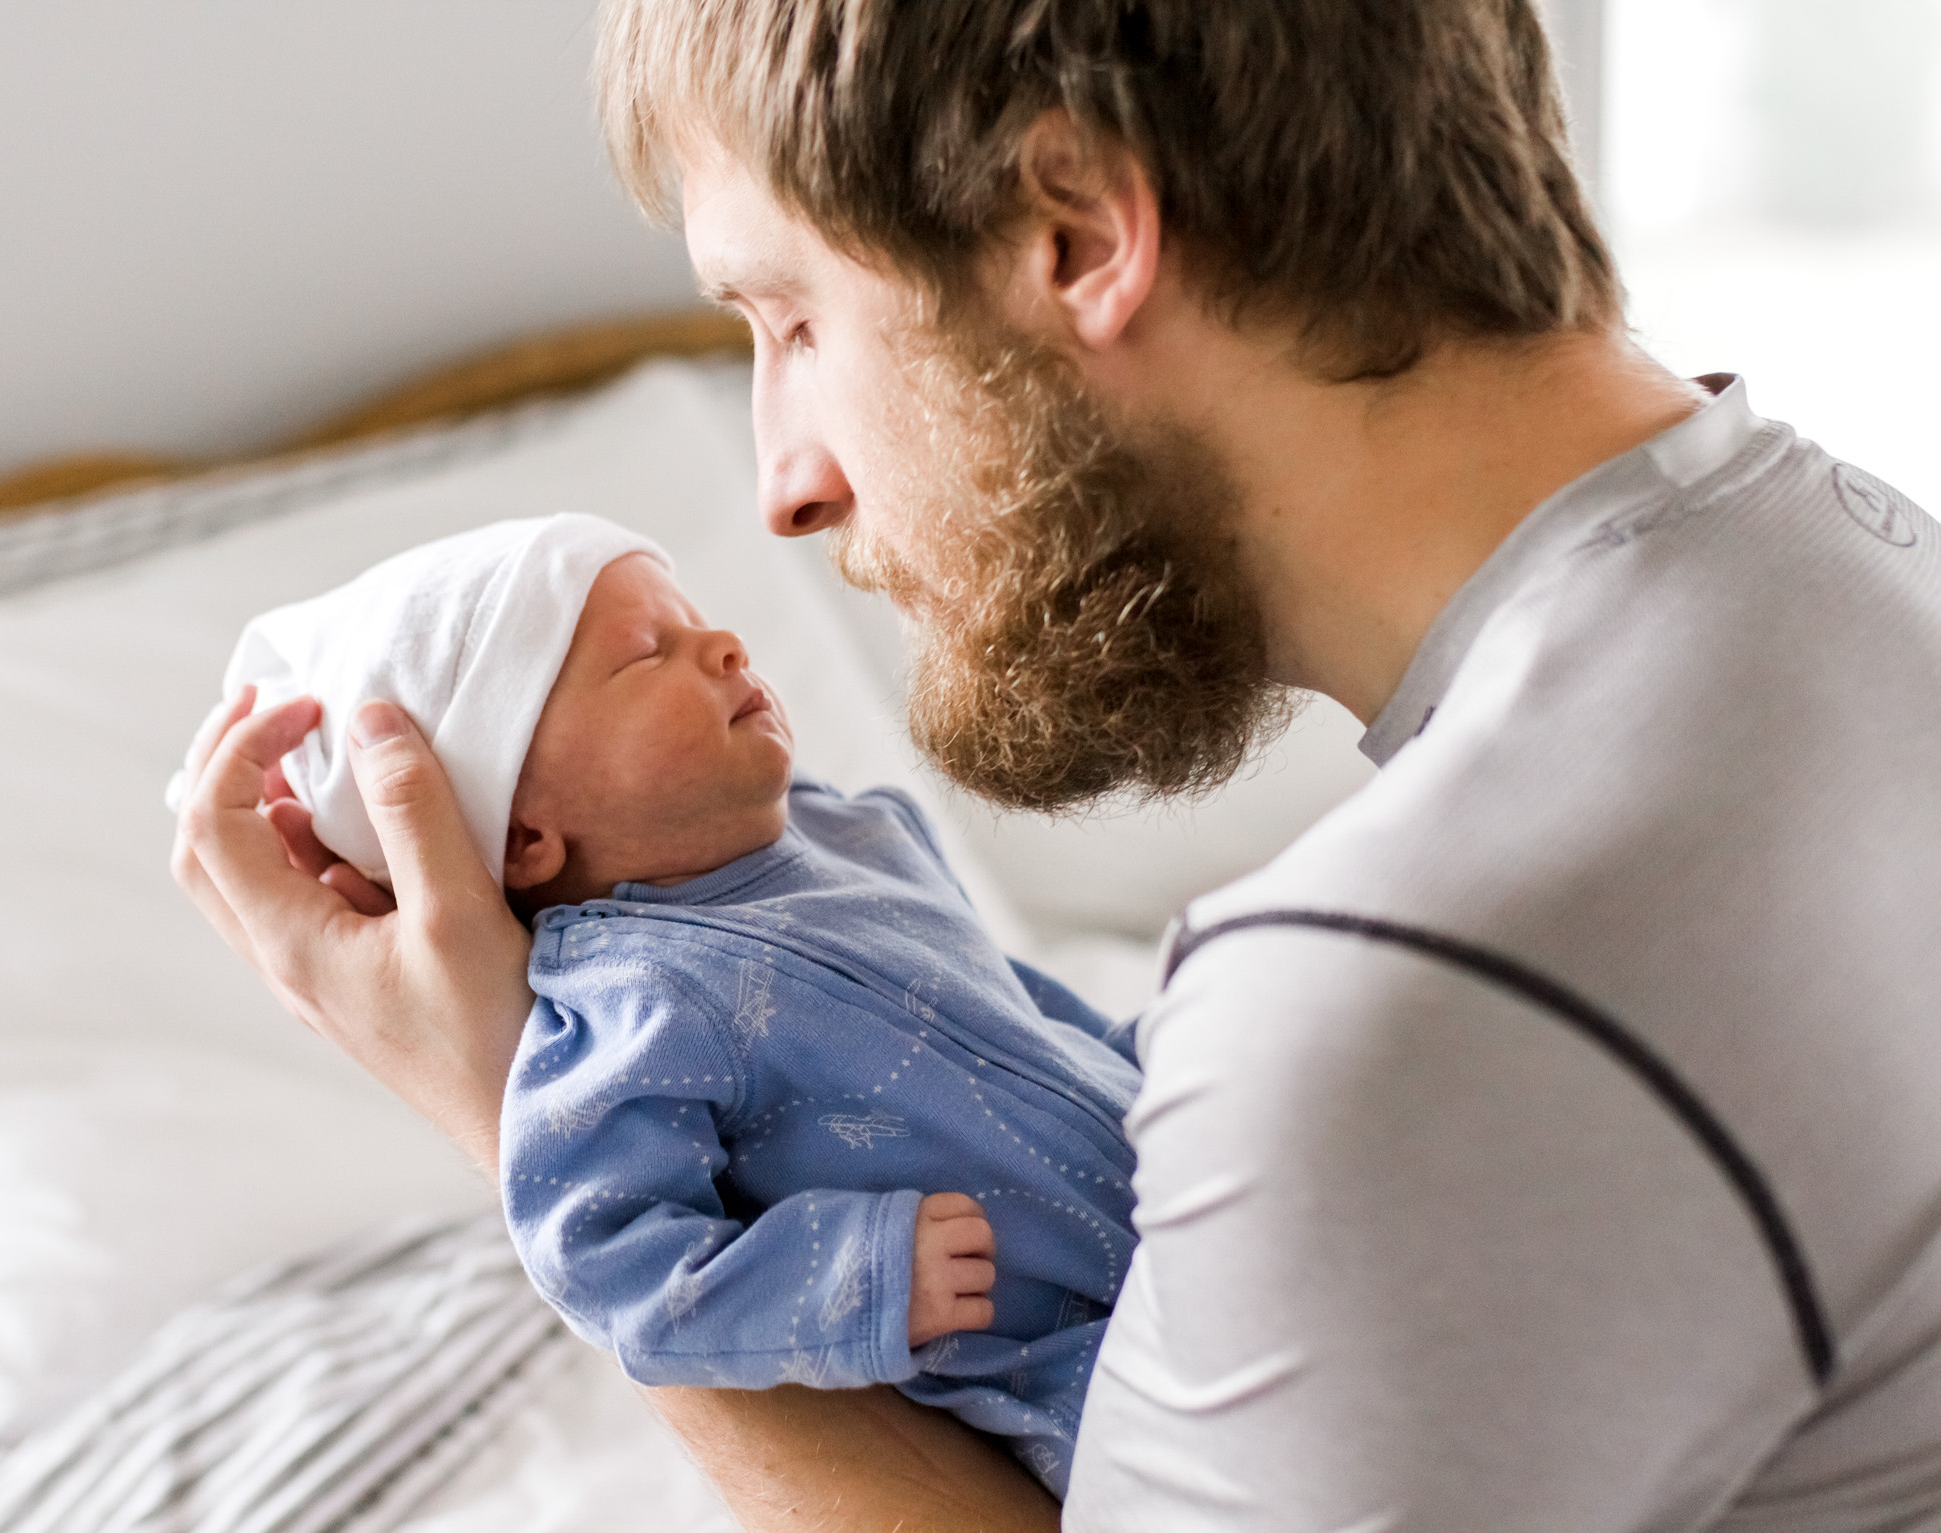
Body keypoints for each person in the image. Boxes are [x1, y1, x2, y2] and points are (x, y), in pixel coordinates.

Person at [173, 1, 1941, 1527]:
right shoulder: (1868, 568)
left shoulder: (1395, 1007)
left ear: (1083, 234)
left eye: (791, 320)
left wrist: (506, 1108)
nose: (784, 480)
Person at [189, 512, 1142, 1496]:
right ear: (522, 839)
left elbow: (1010, 1008)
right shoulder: (626, 999)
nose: (722, 645)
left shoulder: (849, 832)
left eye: (695, 622)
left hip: (1172, 1188)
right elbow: (615, 1265)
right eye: (647, 654)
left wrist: (1145, 1060)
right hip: (1066, 1365)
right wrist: (853, 1273)